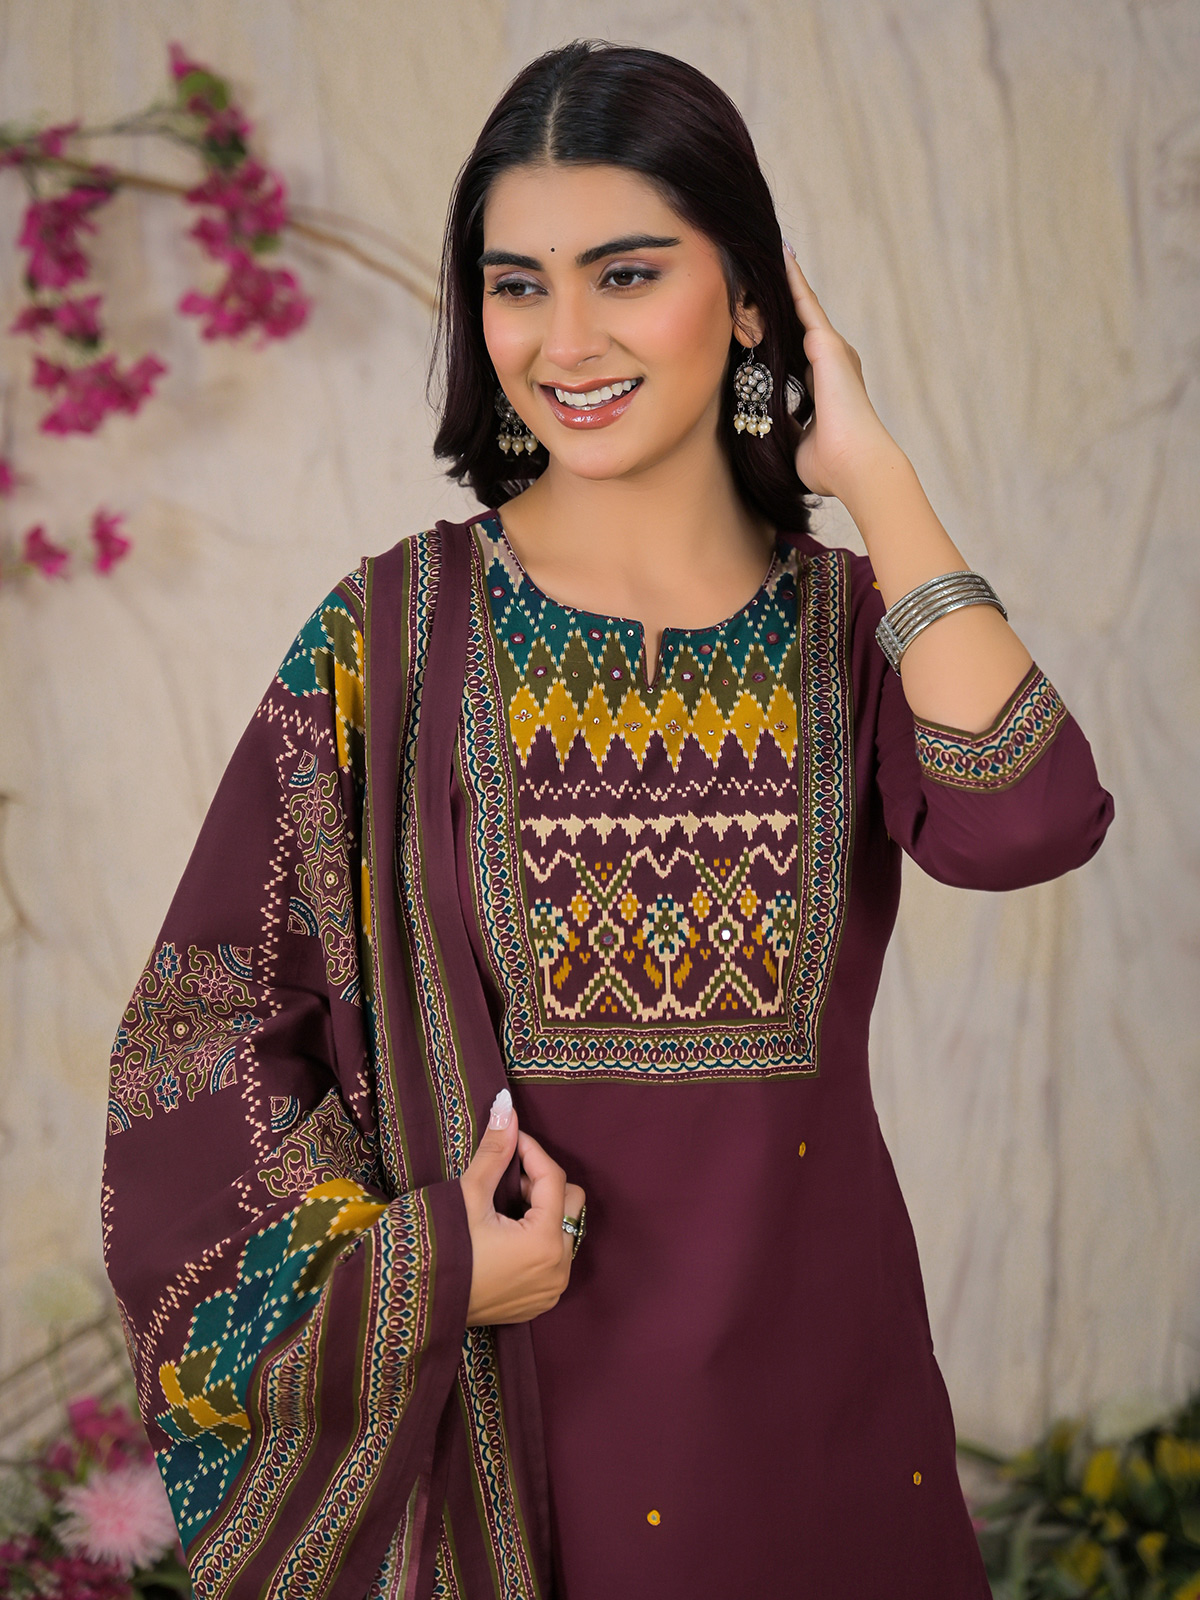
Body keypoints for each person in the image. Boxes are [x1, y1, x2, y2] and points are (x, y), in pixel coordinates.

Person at [102, 40, 1113, 1600]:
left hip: (827, 1428)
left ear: (752, 295)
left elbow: (1029, 822)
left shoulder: (859, 629)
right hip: (520, 1438)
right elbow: (201, 1031)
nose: (565, 341)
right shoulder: (393, 637)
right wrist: (428, 1267)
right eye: (518, 286)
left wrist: (875, 476)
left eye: (627, 274)